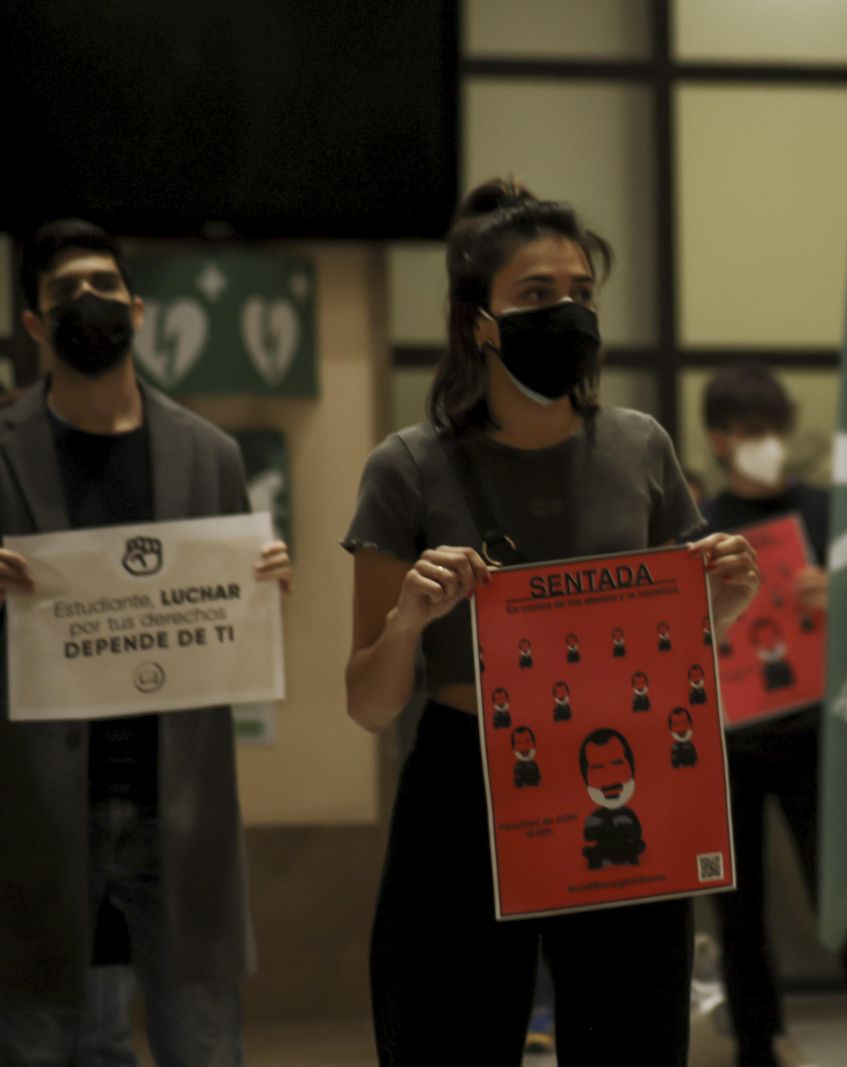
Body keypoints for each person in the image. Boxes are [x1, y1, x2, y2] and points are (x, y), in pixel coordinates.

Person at [342, 179, 758, 1067]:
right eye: (537, 294)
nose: (567, 312)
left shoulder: (640, 447)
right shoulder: (406, 467)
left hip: (624, 770)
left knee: (634, 1044)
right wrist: (409, 620)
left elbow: (672, 645)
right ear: (479, 323)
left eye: (581, 293)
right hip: (464, 785)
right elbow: (368, 703)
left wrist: (719, 606)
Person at [0, 219, 292, 1065]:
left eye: (104, 285)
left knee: (205, 1049)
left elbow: (229, 634)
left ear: (138, 308)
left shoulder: (211, 454)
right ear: (35, 323)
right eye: (65, 292)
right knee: (39, 1049)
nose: (88, 301)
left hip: (181, 809)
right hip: (37, 816)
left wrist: (261, 590)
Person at [699, 364, 847, 1067]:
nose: (768, 443)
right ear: (719, 439)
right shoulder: (702, 525)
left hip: (815, 735)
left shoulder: (827, 513)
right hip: (729, 740)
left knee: (842, 896)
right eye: (751, 430)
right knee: (738, 912)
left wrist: (844, 595)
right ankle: (756, 1048)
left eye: (776, 428)